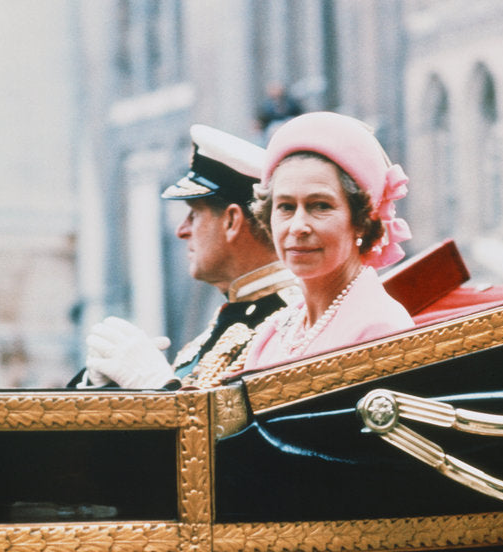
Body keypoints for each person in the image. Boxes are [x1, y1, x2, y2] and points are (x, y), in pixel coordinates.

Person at [75, 125, 299, 390]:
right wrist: (104, 385)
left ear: (231, 221)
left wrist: (160, 386)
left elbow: (242, 430)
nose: (182, 231)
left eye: (194, 215)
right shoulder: (229, 319)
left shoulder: (291, 322)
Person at [240, 111, 414, 372]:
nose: (298, 227)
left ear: (361, 220)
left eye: (320, 206)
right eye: (286, 207)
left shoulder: (379, 330)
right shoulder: (274, 333)